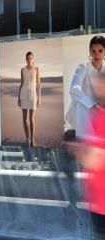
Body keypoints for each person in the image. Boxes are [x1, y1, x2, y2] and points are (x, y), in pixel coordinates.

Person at [68, 73, 105, 239]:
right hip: (97, 201)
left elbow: (97, 158)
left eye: (100, 86)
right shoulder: (98, 115)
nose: (97, 91)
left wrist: (78, 149)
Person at [65, 35, 105, 138]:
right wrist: (93, 106)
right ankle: (84, 139)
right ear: (89, 52)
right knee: (81, 103)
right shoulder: (83, 67)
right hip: (82, 112)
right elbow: (74, 89)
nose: (97, 55)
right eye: (94, 51)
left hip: (99, 112)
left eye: (100, 51)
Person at [18, 51, 41, 147]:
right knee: (24, 119)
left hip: (32, 95)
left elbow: (38, 84)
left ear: (33, 59)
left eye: (30, 58)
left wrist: (39, 98)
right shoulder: (22, 70)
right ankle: (27, 139)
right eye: (27, 58)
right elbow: (21, 83)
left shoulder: (37, 69)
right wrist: (18, 98)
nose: (29, 60)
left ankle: (32, 140)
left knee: (31, 119)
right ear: (26, 59)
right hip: (23, 95)